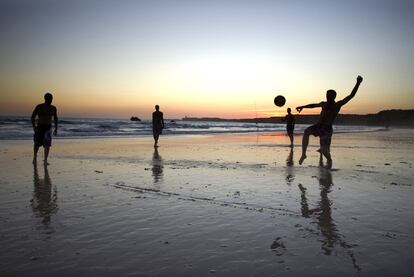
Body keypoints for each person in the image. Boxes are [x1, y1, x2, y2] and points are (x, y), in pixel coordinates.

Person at [296, 76, 363, 169]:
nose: (327, 96)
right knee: (306, 131)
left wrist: (358, 83)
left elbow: (351, 96)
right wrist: (303, 106)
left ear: (333, 96)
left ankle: (329, 159)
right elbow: (313, 105)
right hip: (318, 126)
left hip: (327, 129)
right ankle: (303, 154)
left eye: (329, 95)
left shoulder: (337, 105)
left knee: (324, 151)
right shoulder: (324, 103)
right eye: (326, 95)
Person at [31, 93, 58, 164]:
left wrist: (56, 128)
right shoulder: (39, 106)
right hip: (39, 127)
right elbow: (32, 117)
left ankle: (45, 160)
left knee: (47, 145)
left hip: (48, 128)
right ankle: (34, 157)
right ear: (45, 99)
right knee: (37, 143)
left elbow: (55, 118)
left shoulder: (53, 108)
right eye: (49, 99)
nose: (51, 100)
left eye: (51, 99)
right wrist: (34, 127)